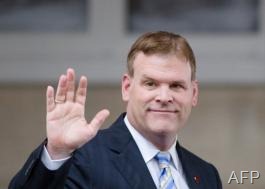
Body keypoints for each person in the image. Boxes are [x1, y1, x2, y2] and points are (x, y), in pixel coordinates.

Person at [9, 31, 222, 189]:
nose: (164, 97)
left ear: (193, 93)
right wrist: (57, 153)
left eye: (176, 86)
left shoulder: (206, 175)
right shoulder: (83, 157)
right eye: (150, 84)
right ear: (127, 88)